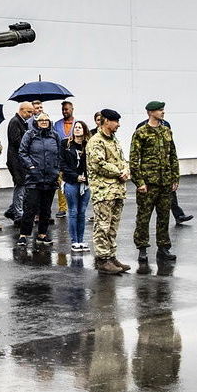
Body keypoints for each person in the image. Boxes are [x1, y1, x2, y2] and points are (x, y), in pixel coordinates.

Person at [130, 100, 180, 266]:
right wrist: (139, 182)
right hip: (148, 183)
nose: (163, 112)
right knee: (144, 217)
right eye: (159, 110)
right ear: (150, 112)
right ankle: (142, 248)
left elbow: (172, 155)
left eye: (163, 110)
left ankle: (163, 247)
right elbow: (134, 159)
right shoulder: (141, 133)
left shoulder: (166, 131)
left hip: (165, 182)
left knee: (164, 216)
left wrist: (175, 178)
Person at [87, 108, 133, 273]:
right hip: (103, 191)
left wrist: (126, 170)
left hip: (117, 191)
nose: (118, 125)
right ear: (106, 121)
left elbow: (122, 160)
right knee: (102, 226)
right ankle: (102, 260)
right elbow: (98, 164)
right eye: (116, 121)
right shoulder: (96, 141)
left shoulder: (114, 140)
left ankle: (112, 257)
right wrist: (118, 172)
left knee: (113, 226)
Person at [16, 114, 63, 250]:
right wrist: (31, 167)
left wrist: (56, 169)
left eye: (46, 120)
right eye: (41, 120)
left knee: (46, 208)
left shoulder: (54, 135)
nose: (44, 122)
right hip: (34, 178)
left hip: (50, 177)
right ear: (36, 122)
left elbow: (60, 154)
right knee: (30, 207)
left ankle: (42, 234)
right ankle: (24, 235)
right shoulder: (29, 135)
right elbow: (22, 152)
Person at [4, 101, 35, 224]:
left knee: (23, 186)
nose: (31, 114)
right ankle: (18, 214)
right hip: (16, 161)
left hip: (19, 160)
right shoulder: (15, 122)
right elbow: (16, 141)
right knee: (20, 186)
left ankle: (13, 210)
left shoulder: (21, 122)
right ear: (22, 110)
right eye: (29, 112)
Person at [62, 121, 91, 252]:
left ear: (84, 130)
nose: (77, 129)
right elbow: (62, 164)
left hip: (85, 184)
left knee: (82, 212)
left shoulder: (88, 146)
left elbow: (92, 164)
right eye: (76, 127)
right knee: (73, 211)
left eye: (80, 127)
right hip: (71, 182)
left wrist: (87, 177)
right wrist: (75, 176)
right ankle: (74, 241)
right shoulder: (66, 144)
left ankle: (81, 239)